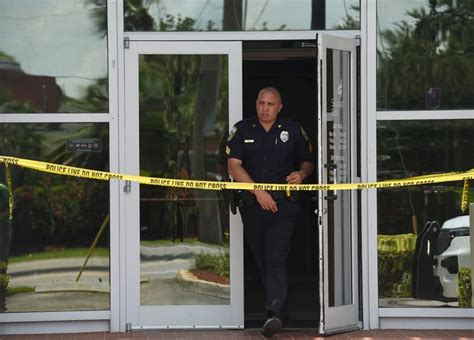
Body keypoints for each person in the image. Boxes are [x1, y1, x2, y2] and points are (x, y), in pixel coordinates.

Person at [226, 87, 314, 337]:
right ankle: (280, 311)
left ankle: (273, 314)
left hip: (282, 206)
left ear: (280, 106)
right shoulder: (242, 129)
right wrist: (258, 193)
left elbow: (307, 161)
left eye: (271, 104)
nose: (265, 108)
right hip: (253, 206)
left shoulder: (292, 130)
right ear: (256, 104)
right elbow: (234, 166)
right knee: (263, 259)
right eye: (262, 103)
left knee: (276, 257)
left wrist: (303, 174)